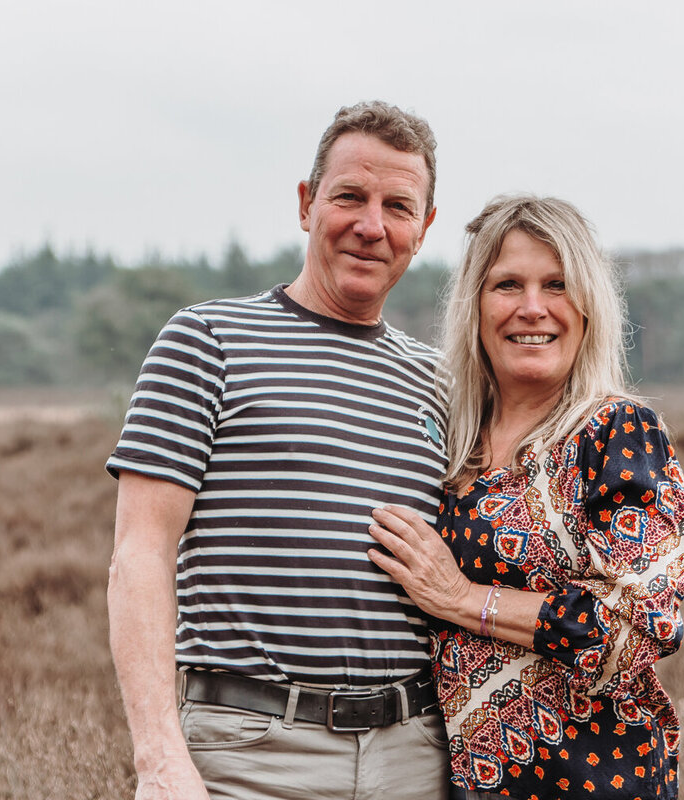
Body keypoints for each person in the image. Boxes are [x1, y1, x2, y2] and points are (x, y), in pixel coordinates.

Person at [106, 101, 451, 800]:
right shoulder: (206, 342)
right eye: (350, 196)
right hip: (248, 757)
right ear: (306, 203)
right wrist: (160, 759)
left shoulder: (443, 382)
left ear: (425, 228)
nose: (371, 226)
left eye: (398, 206)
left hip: (415, 758)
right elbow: (139, 552)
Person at [367, 195, 684, 799]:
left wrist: (464, 599)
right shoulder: (450, 445)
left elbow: (641, 625)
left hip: (596, 782)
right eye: (507, 285)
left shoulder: (616, 432)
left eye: (557, 285)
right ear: (475, 305)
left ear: (589, 307)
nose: (532, 308)